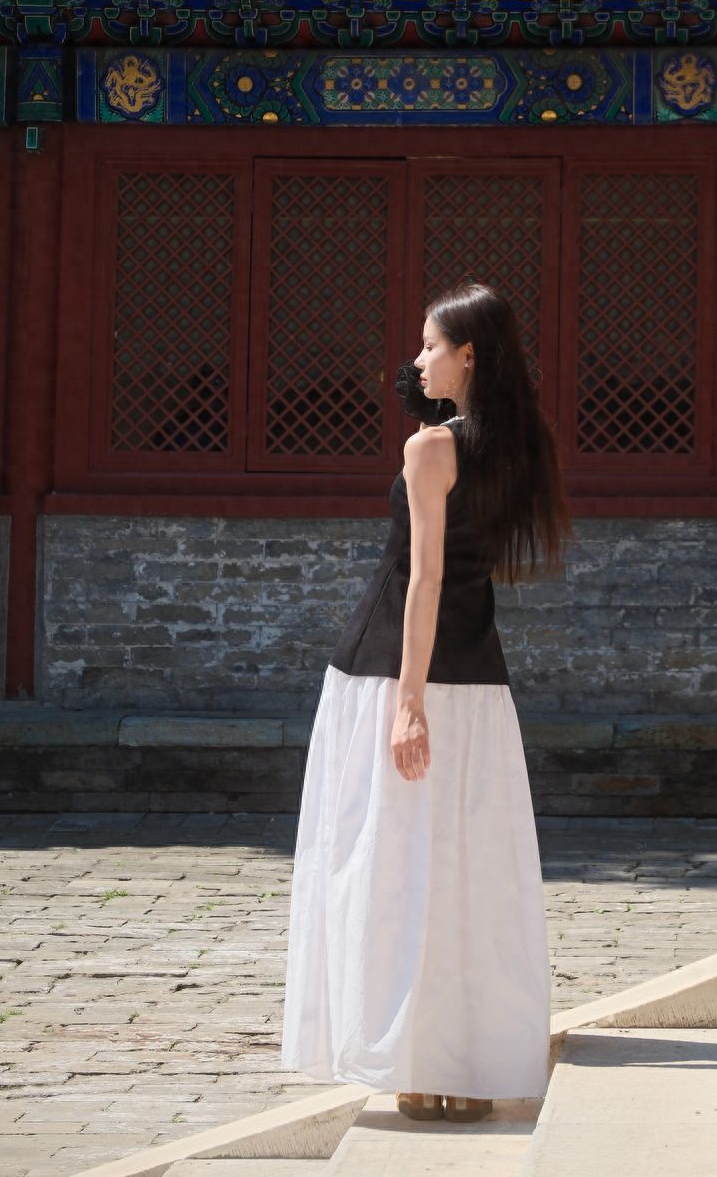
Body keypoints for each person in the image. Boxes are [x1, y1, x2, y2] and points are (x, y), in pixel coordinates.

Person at [279, 280, 571, 1124]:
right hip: (481, 684)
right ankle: (469, 1064)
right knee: (467, 872)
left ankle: (415, 1059)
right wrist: (428, 414)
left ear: (467, 354)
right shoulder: (520, 446)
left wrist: (408, 705)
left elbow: (423, 578)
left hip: (393, 673)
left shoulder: (429, 452)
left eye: (429, 346)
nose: (416, 360)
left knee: (394, 868)